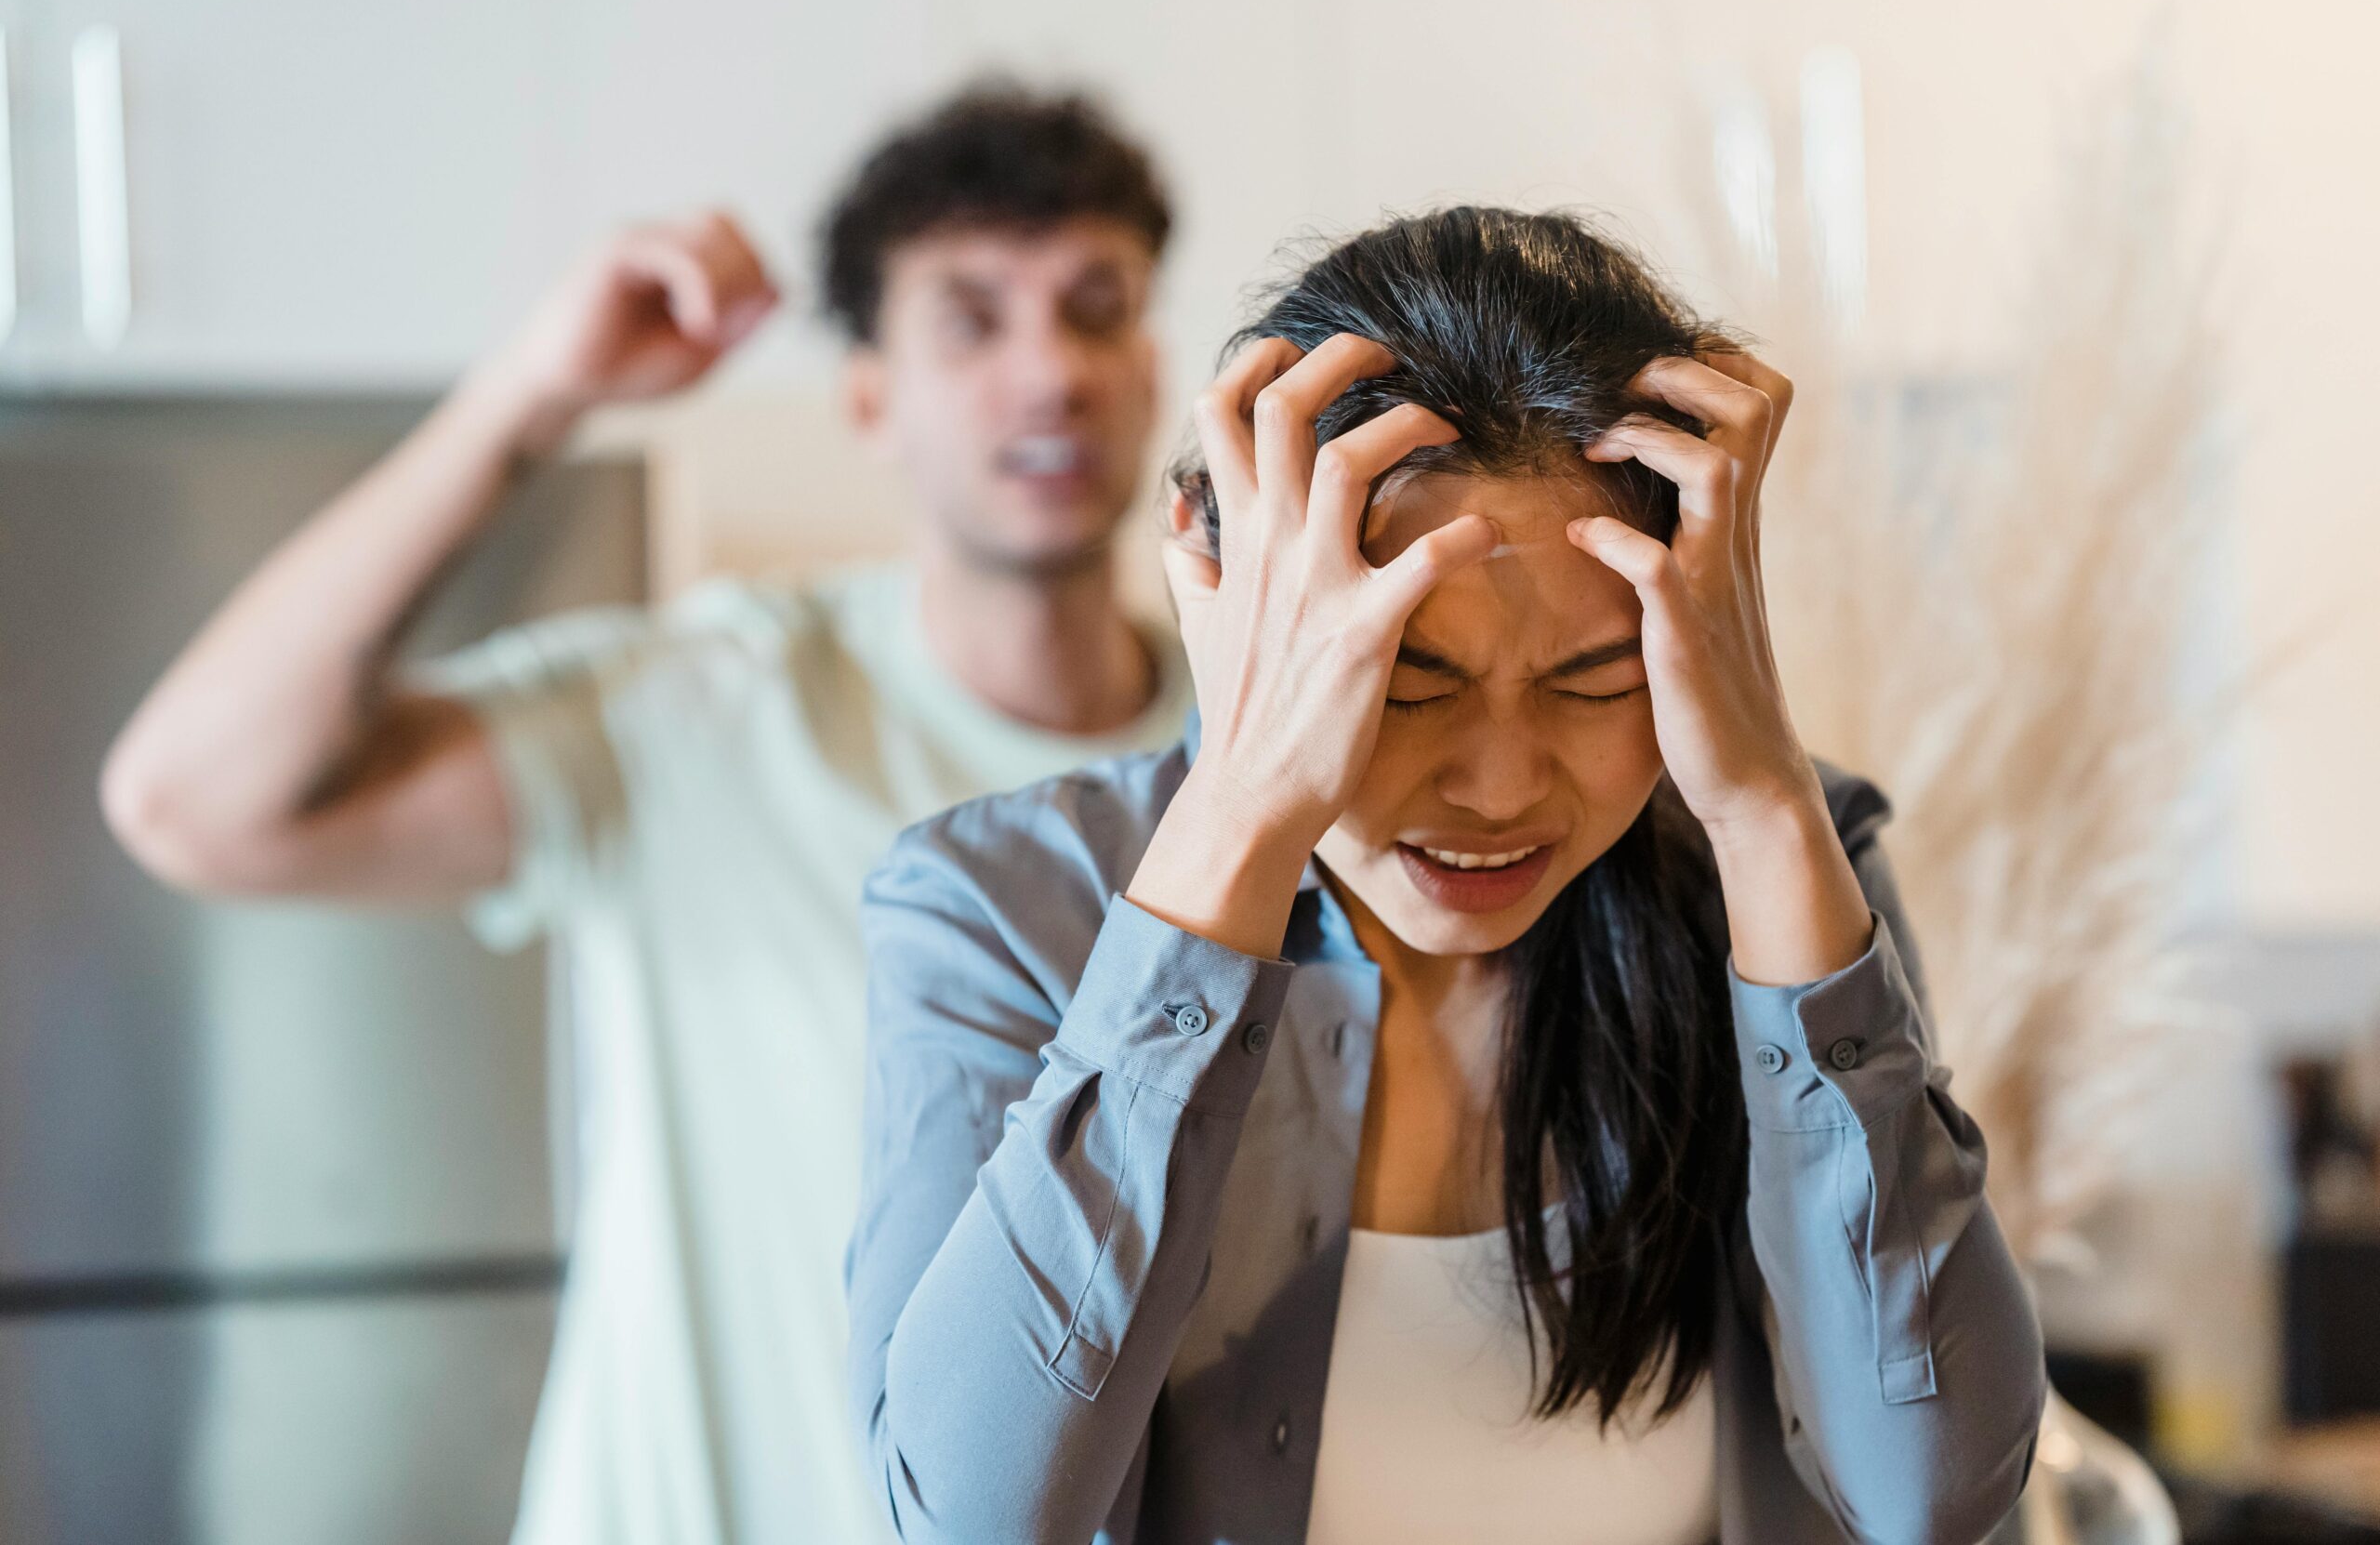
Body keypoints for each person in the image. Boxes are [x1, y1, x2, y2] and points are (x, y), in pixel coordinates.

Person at [848, 206, 2048, 1544]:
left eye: (1595, 682)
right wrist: (1245, 807)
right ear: (1233, 599)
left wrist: (1766, 813)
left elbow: (1933, 1493)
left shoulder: (1780, 879)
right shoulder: (997, 908)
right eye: (1407, 681)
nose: (1499, 785)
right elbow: (971, 1518)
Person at [100, 86, 1192, 1544]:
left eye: (1096, 305)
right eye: (972, 319)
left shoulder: (1248, 761)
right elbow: (191, 801)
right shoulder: (711, 710)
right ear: (868, 395)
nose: (1051, 369)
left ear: (1152, 364)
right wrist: (533, 395)